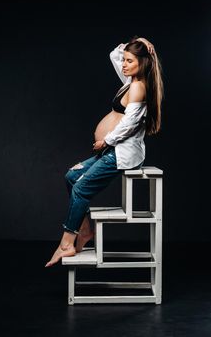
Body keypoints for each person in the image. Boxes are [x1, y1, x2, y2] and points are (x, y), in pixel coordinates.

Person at [45, 36, 164, 267]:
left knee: (80, 187)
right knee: (71, 176)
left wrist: (105, 141)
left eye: (130, 61)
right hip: (111, 150)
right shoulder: (130, 82)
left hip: (120, 153)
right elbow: (114, 54)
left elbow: (129, 125)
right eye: (125, 61)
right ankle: (86, 230)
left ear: (143, 63)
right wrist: (138, 40)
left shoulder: (139, 87)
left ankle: (66, 243)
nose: (124, 64)